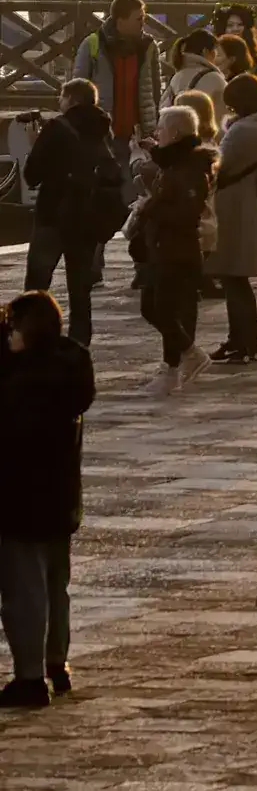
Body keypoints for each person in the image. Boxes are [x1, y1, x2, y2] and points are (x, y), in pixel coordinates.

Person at [0, 292, 94, 708]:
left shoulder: (23, 382)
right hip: (60, 499)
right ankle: (57, 663)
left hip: (20, 499)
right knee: (56, 583)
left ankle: (29, 677)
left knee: (24, 589)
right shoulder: (67, 370)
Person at [21, 78, 126, 348]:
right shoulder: (104, 129)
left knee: (36, 284)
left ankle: (34, 338)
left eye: (62, 97)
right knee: (80, 288)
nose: (59, 102)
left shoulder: (57, 127)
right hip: (87, 217)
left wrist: (35, 144)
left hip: (53, 215)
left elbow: (32, 175)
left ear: (72, 100)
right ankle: (79, 341)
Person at [134, 98, 219, 391]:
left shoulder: (193, 167)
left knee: (164, 308)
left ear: (177, 134)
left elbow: (187, 211)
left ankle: (184, 359)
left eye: (161, 129)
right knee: (152, 305)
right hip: (162, 247)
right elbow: (165, 164)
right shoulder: (176, 162)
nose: (157, 134)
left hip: (179, 250)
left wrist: (151, 208)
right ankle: (179, 361)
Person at [201, 70, 257, 363]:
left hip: (232, 206)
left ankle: (242, 341)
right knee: (235, 279)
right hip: (242, 203)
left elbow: (221, 165)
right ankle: (244, 340)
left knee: (234, 279)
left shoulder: (244, 130)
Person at [72, 0, 160, 138]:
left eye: (143, 18)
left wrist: (154, 124)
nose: (143, 23)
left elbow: (156, 89)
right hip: (102, 131)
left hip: (140, 133)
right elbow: (78, 89)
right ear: (121, 21)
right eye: (138, 19)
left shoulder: (149, 46)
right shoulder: (92, 44)